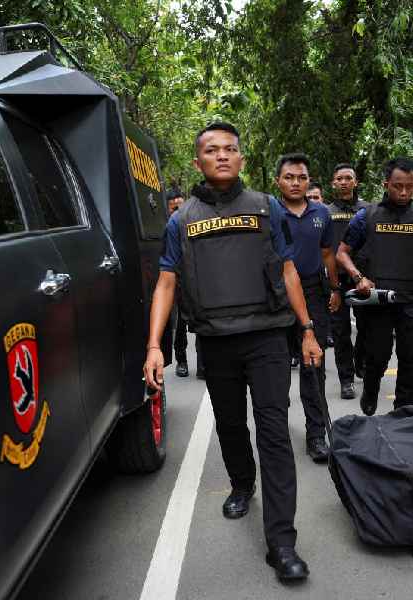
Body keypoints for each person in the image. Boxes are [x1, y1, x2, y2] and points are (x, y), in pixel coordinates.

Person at [143, 122, 322, 581]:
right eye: (211, 150)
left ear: (242, 158)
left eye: (230, 149)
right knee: (229, 425)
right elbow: (166, 281)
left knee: (274, 432)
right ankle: (243, 483)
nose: (222, 155)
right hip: (216, 340)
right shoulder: (180, 222)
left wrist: (307, 329)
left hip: (266, 336)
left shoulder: (268, 209)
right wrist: (154, 347)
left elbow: (288, 273)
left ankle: (282, 542)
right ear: (198, 160)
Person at [336, 157, 413, 416]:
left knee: (411, 363)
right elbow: (342, 253)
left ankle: (403, 415)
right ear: (386, 184)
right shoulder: (367, 216)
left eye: (410, 186)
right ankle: (371, 387)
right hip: (379, 302)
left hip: (412, 300)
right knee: (377, 358)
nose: (404, 192)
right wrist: (357, 277)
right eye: (398, 186)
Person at [273, 153, 341, 463]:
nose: (296, 183)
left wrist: (335, 288)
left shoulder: (322, 214)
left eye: (302, 177)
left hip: (314, 292)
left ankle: (316, 434)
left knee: (313, 367)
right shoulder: (268, 213)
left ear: (309, 180)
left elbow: (328, 253)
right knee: (274, 370)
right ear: (279, 181)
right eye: (289, 177)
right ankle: (275, 431)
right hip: (275, 295)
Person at [326, 163, 369, 399]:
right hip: (337, 280)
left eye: (348, 178)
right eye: (339, 179)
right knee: (341, 332)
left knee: (366, 328)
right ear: (334, 183)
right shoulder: (325, 212)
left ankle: (360, 361)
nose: (344, 182)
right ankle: (346, 379)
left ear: (355, 182)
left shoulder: (368, 210)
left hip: (363, 278)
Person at [167, 188, 204, 378]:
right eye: (173, 208)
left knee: (201, 321)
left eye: (180, 207)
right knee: (181, 324)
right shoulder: (168, 228)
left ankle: (203, 364)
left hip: (195, 280)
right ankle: (181, 360)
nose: (177, 211)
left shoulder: (193, 221)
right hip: (175, 283)